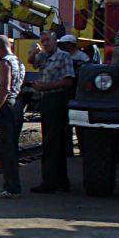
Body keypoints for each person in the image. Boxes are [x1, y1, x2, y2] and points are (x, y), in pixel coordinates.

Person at [30, 31, 75, 193]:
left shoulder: (64, 57)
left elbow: (68, 81)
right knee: (53, 140)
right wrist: (33, 52)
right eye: (43, 41)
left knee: (53, 141)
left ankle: (50, 182)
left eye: (48, 40)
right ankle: (61, 181)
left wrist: (45, 87)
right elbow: (32, 63)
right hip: (46, 100)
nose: (46, 43)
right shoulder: (43, 56)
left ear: (55, 41)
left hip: (57, 99)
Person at [0, 34, 25, 199]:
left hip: (5, 108)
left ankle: (12, 188)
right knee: (12, 147)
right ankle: (12, 185)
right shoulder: (18, 61)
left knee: (5, 149)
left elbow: (4, 89)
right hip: (15, 106)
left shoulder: (5, 62)